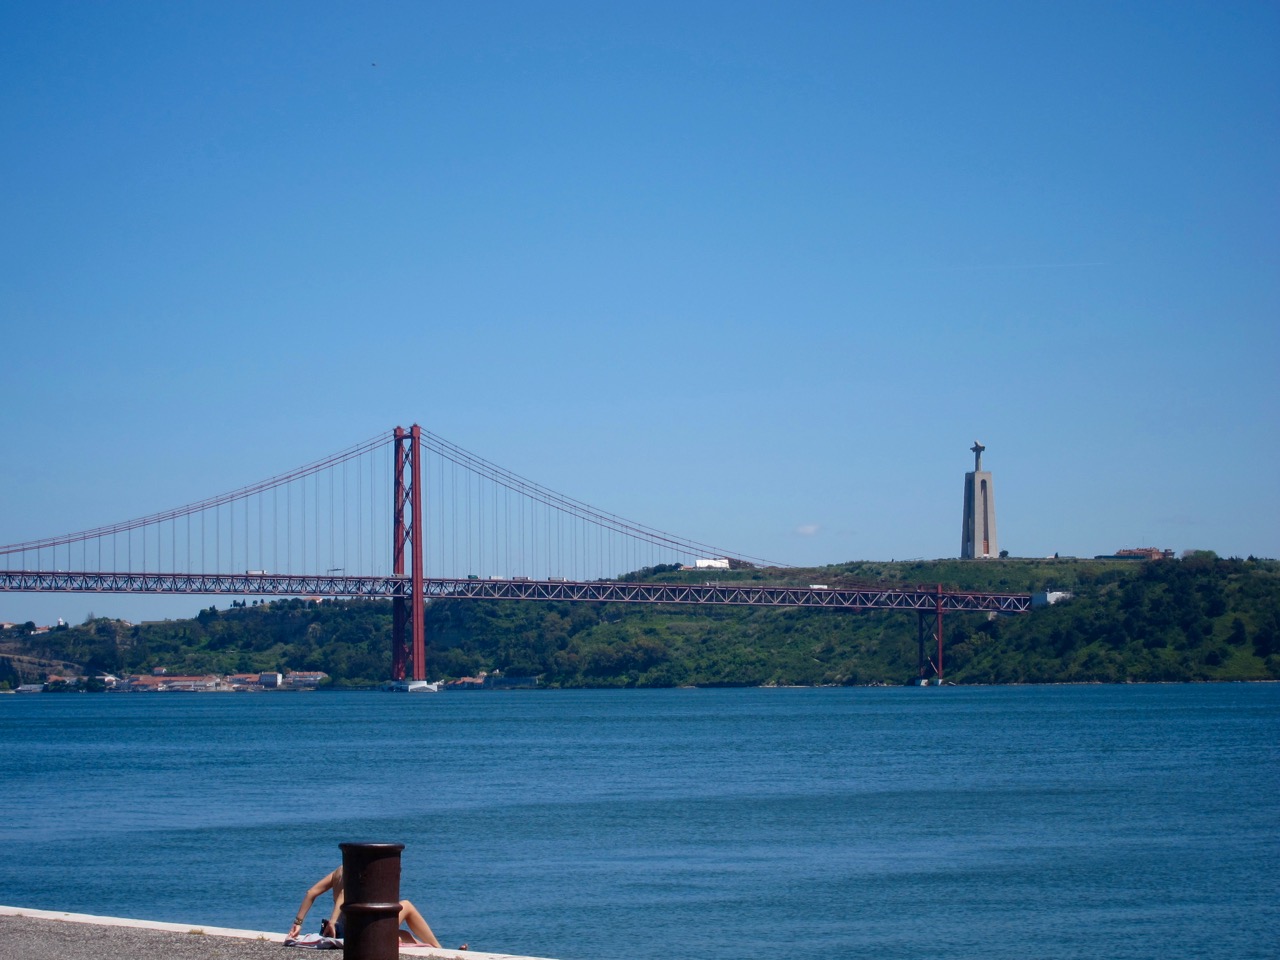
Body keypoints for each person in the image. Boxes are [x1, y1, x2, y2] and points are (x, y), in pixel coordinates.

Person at [288, 865, 442, 948]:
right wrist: (332, 922)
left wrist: (298, 923)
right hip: (359, 929)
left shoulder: (338, 871)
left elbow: (311, 892)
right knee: (406, 905)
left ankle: (434, 950)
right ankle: (438, 948)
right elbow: (344, 895)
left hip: (343, 929)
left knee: (403, 935)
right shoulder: (357, 873)